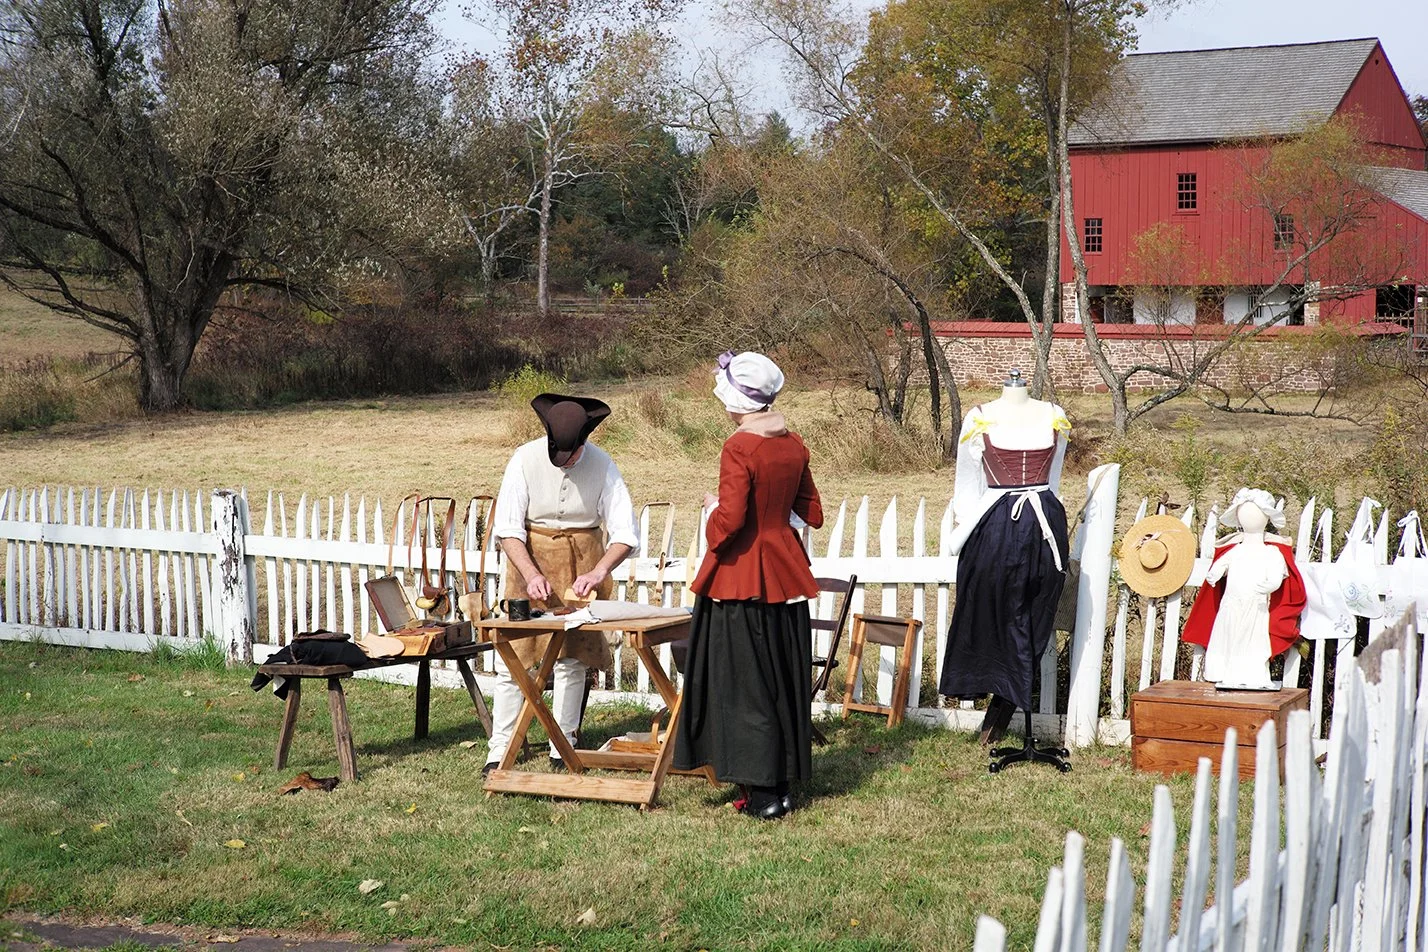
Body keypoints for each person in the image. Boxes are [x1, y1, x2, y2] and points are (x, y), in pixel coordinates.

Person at [673, 351, 823, 820]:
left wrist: (713, 510)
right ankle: (779, 786)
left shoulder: (739, 447)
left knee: (744, 686)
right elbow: (811, 512)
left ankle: (761, 794)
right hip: (784, 579)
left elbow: (731, 522)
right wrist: (772, 516)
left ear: (737, 398)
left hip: (740, 581)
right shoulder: (794, 444)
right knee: (780, 681)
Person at [484, 393, 639, 774]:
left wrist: (598, 572)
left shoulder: (604, 466)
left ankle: (563, 743)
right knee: (513, 658)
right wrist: (532, 573)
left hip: (583, 562)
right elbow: (507, 530)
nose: (562, 461)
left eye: (569, 455)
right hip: (529, 562)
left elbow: (625, 534)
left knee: (572, 659)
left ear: (583, 443)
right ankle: (501, 748)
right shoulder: (523, 459)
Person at [940, 370, 1071, 744]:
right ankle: (994, 697)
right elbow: (965, 484)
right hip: (995, 524)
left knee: (1034, 612)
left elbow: (1055, 479)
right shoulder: (980, 416)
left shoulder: (1053, 414)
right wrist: (971, 529)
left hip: (1044, 523)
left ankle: (1004, 704)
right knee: (992, 609)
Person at [1182, 488, 1306, 689]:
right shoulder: (1236, 550)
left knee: (1252, 638)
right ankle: (1221, 669)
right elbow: (1222, 565)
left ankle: (1250, 673)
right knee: (1227, 634)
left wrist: (1272, 583)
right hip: (1231, 603)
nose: (1248, 516)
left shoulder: (1271, 552)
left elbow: (1278, 573)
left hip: (1255, 604)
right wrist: (1216, 572)